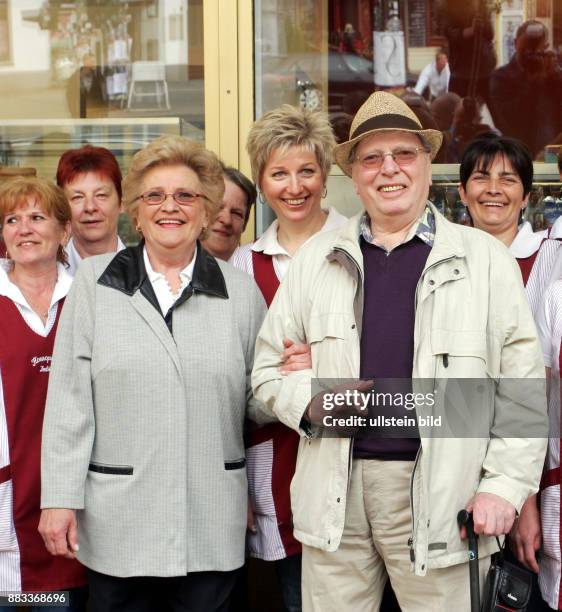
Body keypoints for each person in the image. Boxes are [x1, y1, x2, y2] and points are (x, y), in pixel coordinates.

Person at [251, 91, 547, 611]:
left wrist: (504, 487)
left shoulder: (483, 260)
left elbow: (523, 393)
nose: (389, 169)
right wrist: (311, 399)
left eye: (403, 154)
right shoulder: (317, 260)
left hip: (445, 498)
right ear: (355, 174)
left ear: (427, 164)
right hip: (334, 496)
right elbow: (266, 375)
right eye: (371, 158)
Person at [38, 135, 268, 612]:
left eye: (185, 196)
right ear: (136, 213)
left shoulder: (241, 293)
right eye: (155, 196)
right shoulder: (94, 283)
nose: (170, 207)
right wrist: (58, 498)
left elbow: (254, 402)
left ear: (206, 211)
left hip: (209, 521)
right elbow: (69, 400)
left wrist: (291, 378)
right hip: (120, 520)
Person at [233, 104, 346, 612]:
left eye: (307, 170)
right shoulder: (240, 267)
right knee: (299, 597)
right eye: (279, 173)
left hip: (355, 459)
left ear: (325, 175)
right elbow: (233, 386)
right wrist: (282, 384)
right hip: (275, 467)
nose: (294, 186)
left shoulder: (360, 246)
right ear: (261, 180)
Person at [0, 177, 87, 611]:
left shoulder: (95, 296)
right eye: (12, 220)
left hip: (81, 496)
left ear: (64, 231)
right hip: (9, 499)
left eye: (37, 217)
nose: (24, 229)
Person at [489, 20, 562, 159]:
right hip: (517, 155)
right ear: (516, 43)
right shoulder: (501, 77)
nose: (531, 53)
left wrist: (556, 78)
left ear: (546, 47)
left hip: (552, 154)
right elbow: (507, 121)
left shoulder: (551, 74)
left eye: (537, 48)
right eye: (527, 47)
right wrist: (533, 83)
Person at [56, 145, 125, 275]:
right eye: (77, 197)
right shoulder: (49, 276)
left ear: (121, 202)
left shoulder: (148, 273)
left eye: (101, 195)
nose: (90, 207)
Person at [202, 165, 256, 262]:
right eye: (218, 207)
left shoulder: (248, 274)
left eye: (236, 213)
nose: (227, 220)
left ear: (245, 224)